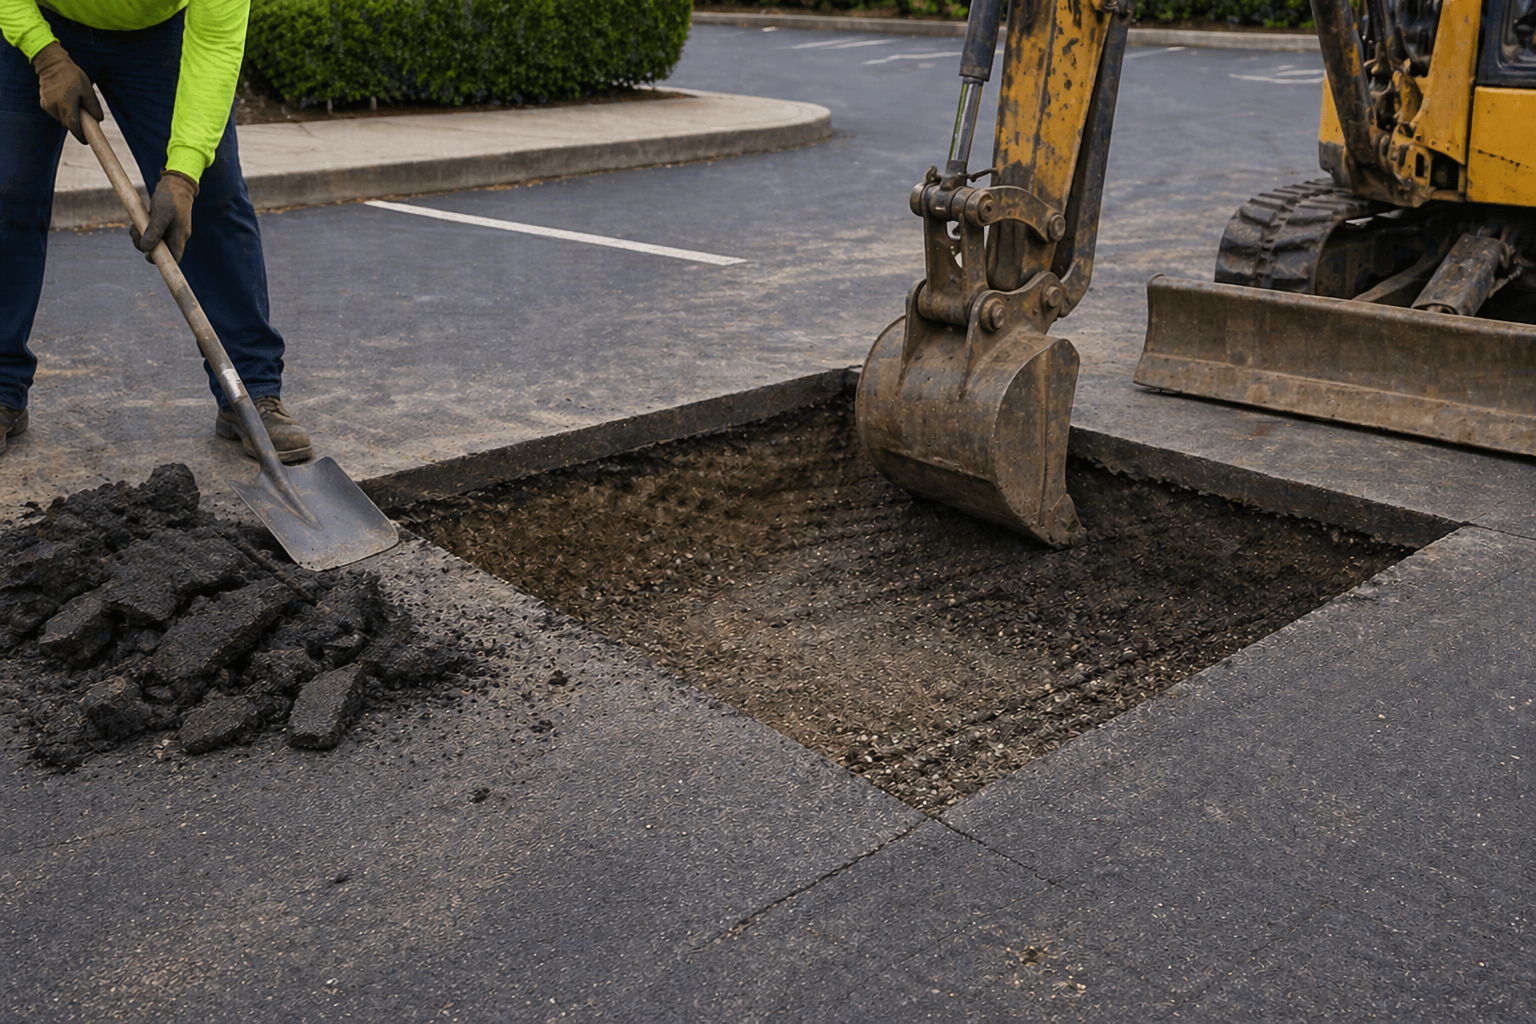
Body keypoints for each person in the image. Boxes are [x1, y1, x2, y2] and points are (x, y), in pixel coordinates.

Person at [0, 0, 311, 462]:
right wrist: (44, 54)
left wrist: (183, 175)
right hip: (39, 15)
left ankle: (248, 393)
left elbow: (216, 44)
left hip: (158, 33)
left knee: (213, 195)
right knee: (8, 192)